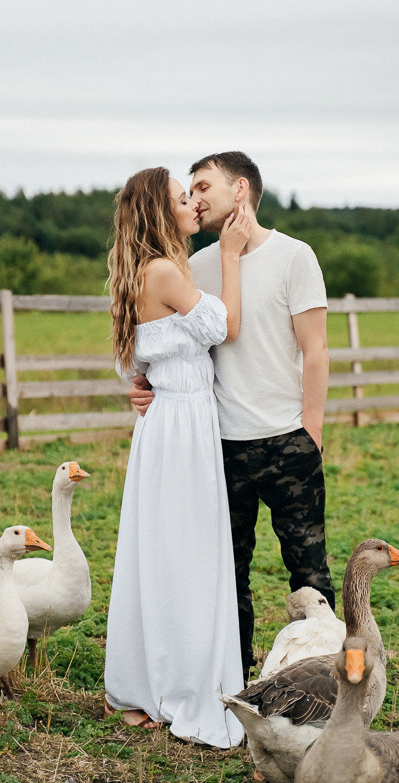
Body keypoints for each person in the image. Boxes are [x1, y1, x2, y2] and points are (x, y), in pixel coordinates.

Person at [130, 151, 334, 681]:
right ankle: (237, 683)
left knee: (310, 570)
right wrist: (146, 385)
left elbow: (315, 349)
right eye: (189, 192)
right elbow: (169, 343)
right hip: (219, 444)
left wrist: (311, 427)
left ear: (239, 190)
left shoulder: (296, 256)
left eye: (203, 187)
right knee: (227, 573)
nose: (195, 199)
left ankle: (325, 678)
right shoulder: (193, 266)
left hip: (289, 439)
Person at [103, 166, 252, 748]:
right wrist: (232, 254)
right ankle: (183, 684)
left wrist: (142, 384)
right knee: (185, 553)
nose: (193, 203)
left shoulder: (147, 273)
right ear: (160, 213)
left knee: (160, 551)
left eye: (194, 194)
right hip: (183, 425)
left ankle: (146, 685)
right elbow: (226, 326)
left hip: (167, 423)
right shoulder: (165, 271)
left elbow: (132, 364)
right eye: (181, 197)